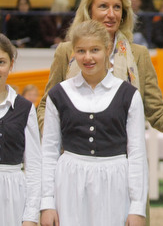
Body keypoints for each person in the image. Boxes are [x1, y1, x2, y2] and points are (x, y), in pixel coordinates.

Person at [36, 0, 163, 139]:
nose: (111, 14)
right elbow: (46, 105)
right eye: (103, 6)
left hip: (121, 156)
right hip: (73, 153)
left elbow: (158, 115)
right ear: (89, 10)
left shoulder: (138, 55)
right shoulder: (66, 51)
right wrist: (55, 138)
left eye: (117, 7)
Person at [40, 20, 147, 226]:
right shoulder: (59, 94)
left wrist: (137, 207)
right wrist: (47, 203)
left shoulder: (128, 95)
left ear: (107, 49)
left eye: (94, 50)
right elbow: (49, 152)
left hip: (114, 183)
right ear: (73, 52)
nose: (87, 57)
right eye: (81, 51)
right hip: (69, 183)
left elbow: (137, 153)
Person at [0, 32, 41, 226]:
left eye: (1, 62)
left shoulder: (25, 108)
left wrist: (31, 215)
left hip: (13, 197)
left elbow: (35, 166)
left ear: (11, 64)